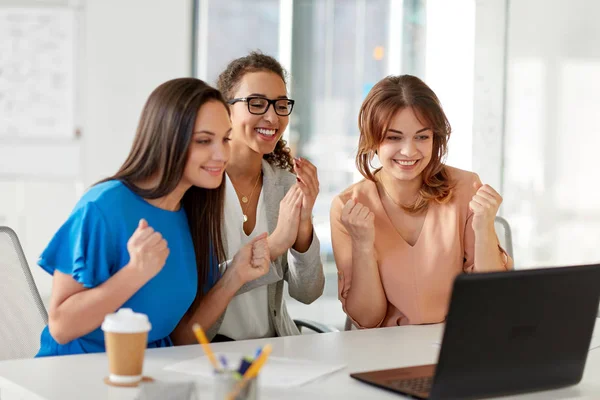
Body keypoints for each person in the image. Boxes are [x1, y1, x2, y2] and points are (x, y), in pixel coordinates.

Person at [36, 78, 270, 356]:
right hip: (79, 371)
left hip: (151, 371)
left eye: (226, 139)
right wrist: (134, 274)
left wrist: (235, 277)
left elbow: (182, 337)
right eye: (204, 140)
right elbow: (61, 326)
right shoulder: (104, 206)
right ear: (167, 138)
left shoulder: (195, 214)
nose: (221, 154)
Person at [330, 75, 513, 329]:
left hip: (457, 343)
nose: (409, 151)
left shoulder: (465, 188)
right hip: (384, 353)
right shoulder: (348, 206)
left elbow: (493, 300)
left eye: (422, 137)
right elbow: (367, 319)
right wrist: (362, 246)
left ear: (435, 138)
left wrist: (484, 230)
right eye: (394, 138)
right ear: (373, 140)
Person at [203, 51, 324, 341]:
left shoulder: (284, 184)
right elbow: (194, 294)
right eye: (256, 103)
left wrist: (303, 226)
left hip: (273, 348)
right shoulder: (200, 187)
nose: (272, 117)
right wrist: (277, 242)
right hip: (208, 350)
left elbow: (308, 293)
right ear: (225, 109)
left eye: (281, 105)